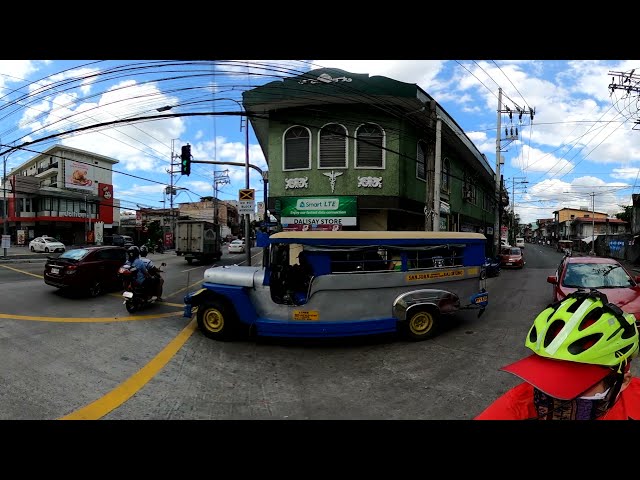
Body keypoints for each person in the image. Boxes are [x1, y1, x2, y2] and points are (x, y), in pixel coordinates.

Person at [475, 289, 640, 420]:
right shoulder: (518, 406)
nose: (551, 394)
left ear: (623, 381)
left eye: (575, 383)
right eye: (546, 376)